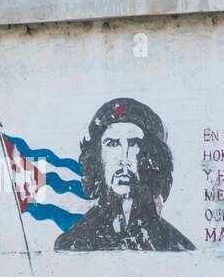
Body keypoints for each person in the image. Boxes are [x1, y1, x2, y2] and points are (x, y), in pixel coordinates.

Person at [55, 97, 195, 252]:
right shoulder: (72, 244)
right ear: (97, 156)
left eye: (134, 144)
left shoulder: (177, 247)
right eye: (113, 144)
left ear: (152, 158)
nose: (124, 160)